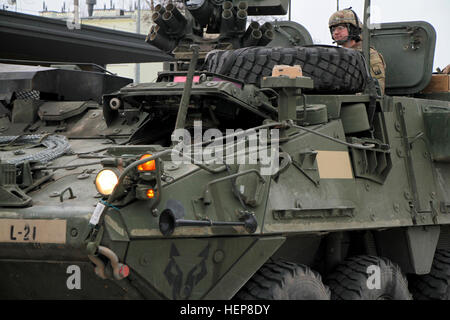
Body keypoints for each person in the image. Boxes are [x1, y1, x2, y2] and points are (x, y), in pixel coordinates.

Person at [329, 8, 386, 95]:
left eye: (340, 28)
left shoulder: (368, 54)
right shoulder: (334, 55)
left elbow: (377, 90)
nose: (336, 32)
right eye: (333, 29)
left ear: (353, 29)